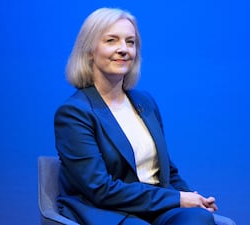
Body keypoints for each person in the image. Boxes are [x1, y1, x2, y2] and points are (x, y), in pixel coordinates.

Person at [54, 7, 236, 225]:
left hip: (154, 206)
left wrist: (193, 198)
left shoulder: (144, 102)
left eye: (130, 42)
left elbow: (167, 170)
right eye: (111, 40)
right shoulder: (74, 113)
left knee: (198, 219)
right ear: (90, 51)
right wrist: (178, 199)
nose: (123, 49)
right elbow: (100, 189)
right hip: (105, 209)